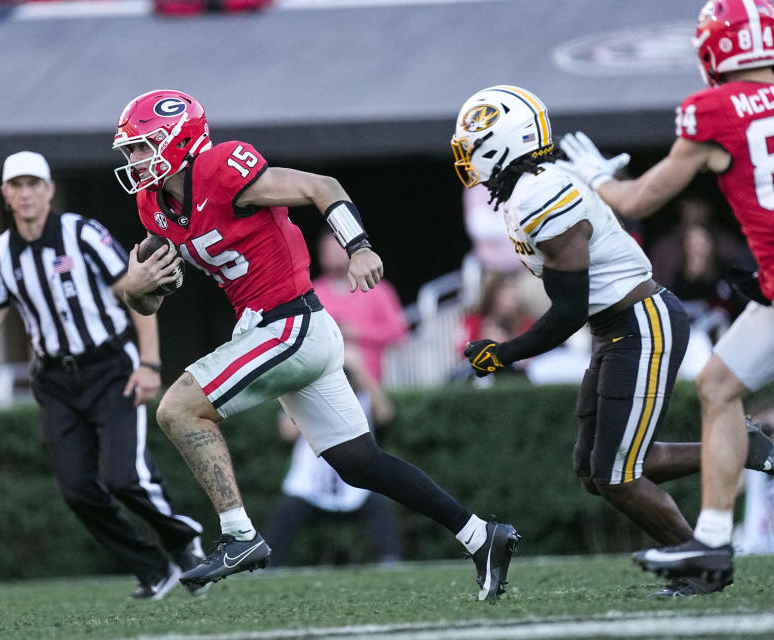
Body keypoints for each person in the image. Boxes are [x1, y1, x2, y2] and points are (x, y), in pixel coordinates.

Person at [113, 89, 520, 601]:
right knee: (359, 462)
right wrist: (135, 288)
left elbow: (321, 186)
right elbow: (149, 303)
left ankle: (239, 536)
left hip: (289, 324)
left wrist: (359, 246)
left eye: (142, 146)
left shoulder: (220, 168)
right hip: (290, 331)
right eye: (129, 150)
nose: (134, 160)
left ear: (179, 139)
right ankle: (482, 536)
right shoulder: (154, 207)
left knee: (177, 409)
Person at [451, 84, 774, 597]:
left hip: (640, 323)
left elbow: (568, 312)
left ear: (501, 145)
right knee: (594, 471)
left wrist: (505, 353)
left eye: (473, 146)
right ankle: (739, 447)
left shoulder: (541, 196)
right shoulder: (529, 189)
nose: (466, 159)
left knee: (620, 476)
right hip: (618, 327)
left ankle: (703, 565)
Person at [557, 0, 774, 595]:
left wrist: (598, 177)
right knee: (719, 385)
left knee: (720, 388)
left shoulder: (714, 110)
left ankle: (710, 543)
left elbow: (637, 203)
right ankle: (710, 544)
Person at [0, 151, 204, 600]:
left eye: (33, 184)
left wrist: (149, 364)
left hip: (110, 368)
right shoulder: (1, 256)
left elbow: (135, 290)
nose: (25, 193)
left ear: (49, 190)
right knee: (78, 490)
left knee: (126, 477)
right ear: (6, 194)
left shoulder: (82, 234)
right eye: (16, 186)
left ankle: (183, 540)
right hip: (57, 381)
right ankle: (152, 568)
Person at [262, 339, 402, 567]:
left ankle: (389, 560)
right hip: (310, 487)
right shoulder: (307, 397)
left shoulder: (363, 399)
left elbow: (386, 415)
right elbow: (287, 433)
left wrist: (360, 368)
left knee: (380, 506)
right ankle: (269, 566)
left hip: (357, 487)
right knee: (285, 513)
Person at [313, 231, 409, 383]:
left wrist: (359, 332)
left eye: (339, 249)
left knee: (351, 356)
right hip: (325, 374)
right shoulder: (312, 293)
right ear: (321, 257)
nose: (336, 255)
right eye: (330, 251)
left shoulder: (376, 288)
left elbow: (399, 332)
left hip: (373, 376)